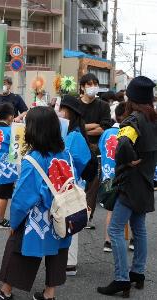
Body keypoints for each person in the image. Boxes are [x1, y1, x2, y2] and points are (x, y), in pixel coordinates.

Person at [0, 107, 76, 300]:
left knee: (17, 250)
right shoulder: (66, 154)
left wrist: (13, 223)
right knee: (58, 252)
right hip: (62, 214)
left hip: (38, 218)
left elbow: (23, 199)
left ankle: (5, 291)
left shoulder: (33, 159)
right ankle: (49, 294)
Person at [97, 76, 157, 297]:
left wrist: (129, 159)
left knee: (115, 229)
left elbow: (122, 144)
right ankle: (138, 273)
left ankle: (121, 278)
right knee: (139, 228)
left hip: (130, 182)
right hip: (146, 181)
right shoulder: (153, 119)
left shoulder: (133, 120)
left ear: (131, 98)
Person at [58, 95, 92, 277]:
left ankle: (70, 263)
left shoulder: (74, 135)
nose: (59, 112)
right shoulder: (71, 133)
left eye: (62, 108)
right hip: (69, 184)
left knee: (71, 221)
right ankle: (66, 261)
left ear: (69, 112)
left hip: (72, 185)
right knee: (67, 220)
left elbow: (78, 162)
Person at [77, 73, 112, 229]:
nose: (93, 87)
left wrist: (83, 128)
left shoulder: (103, 105)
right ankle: (73, 213)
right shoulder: (75, 105)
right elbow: (74, 126)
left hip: (96, 149)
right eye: (89, 84)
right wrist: (93, 126)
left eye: (95, 84)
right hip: (77, 148)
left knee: (93, 184)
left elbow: (104, 127)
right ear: (83, 86)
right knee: (76, 183)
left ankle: (87, 216)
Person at [98, 102, 127, 253]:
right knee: (129, 207)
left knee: (111, 208)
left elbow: (101, 150)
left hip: (108, 176)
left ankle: (107, 241)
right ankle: (132, 240)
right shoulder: (127, 132)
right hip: (123, 176)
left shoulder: (106, 133)